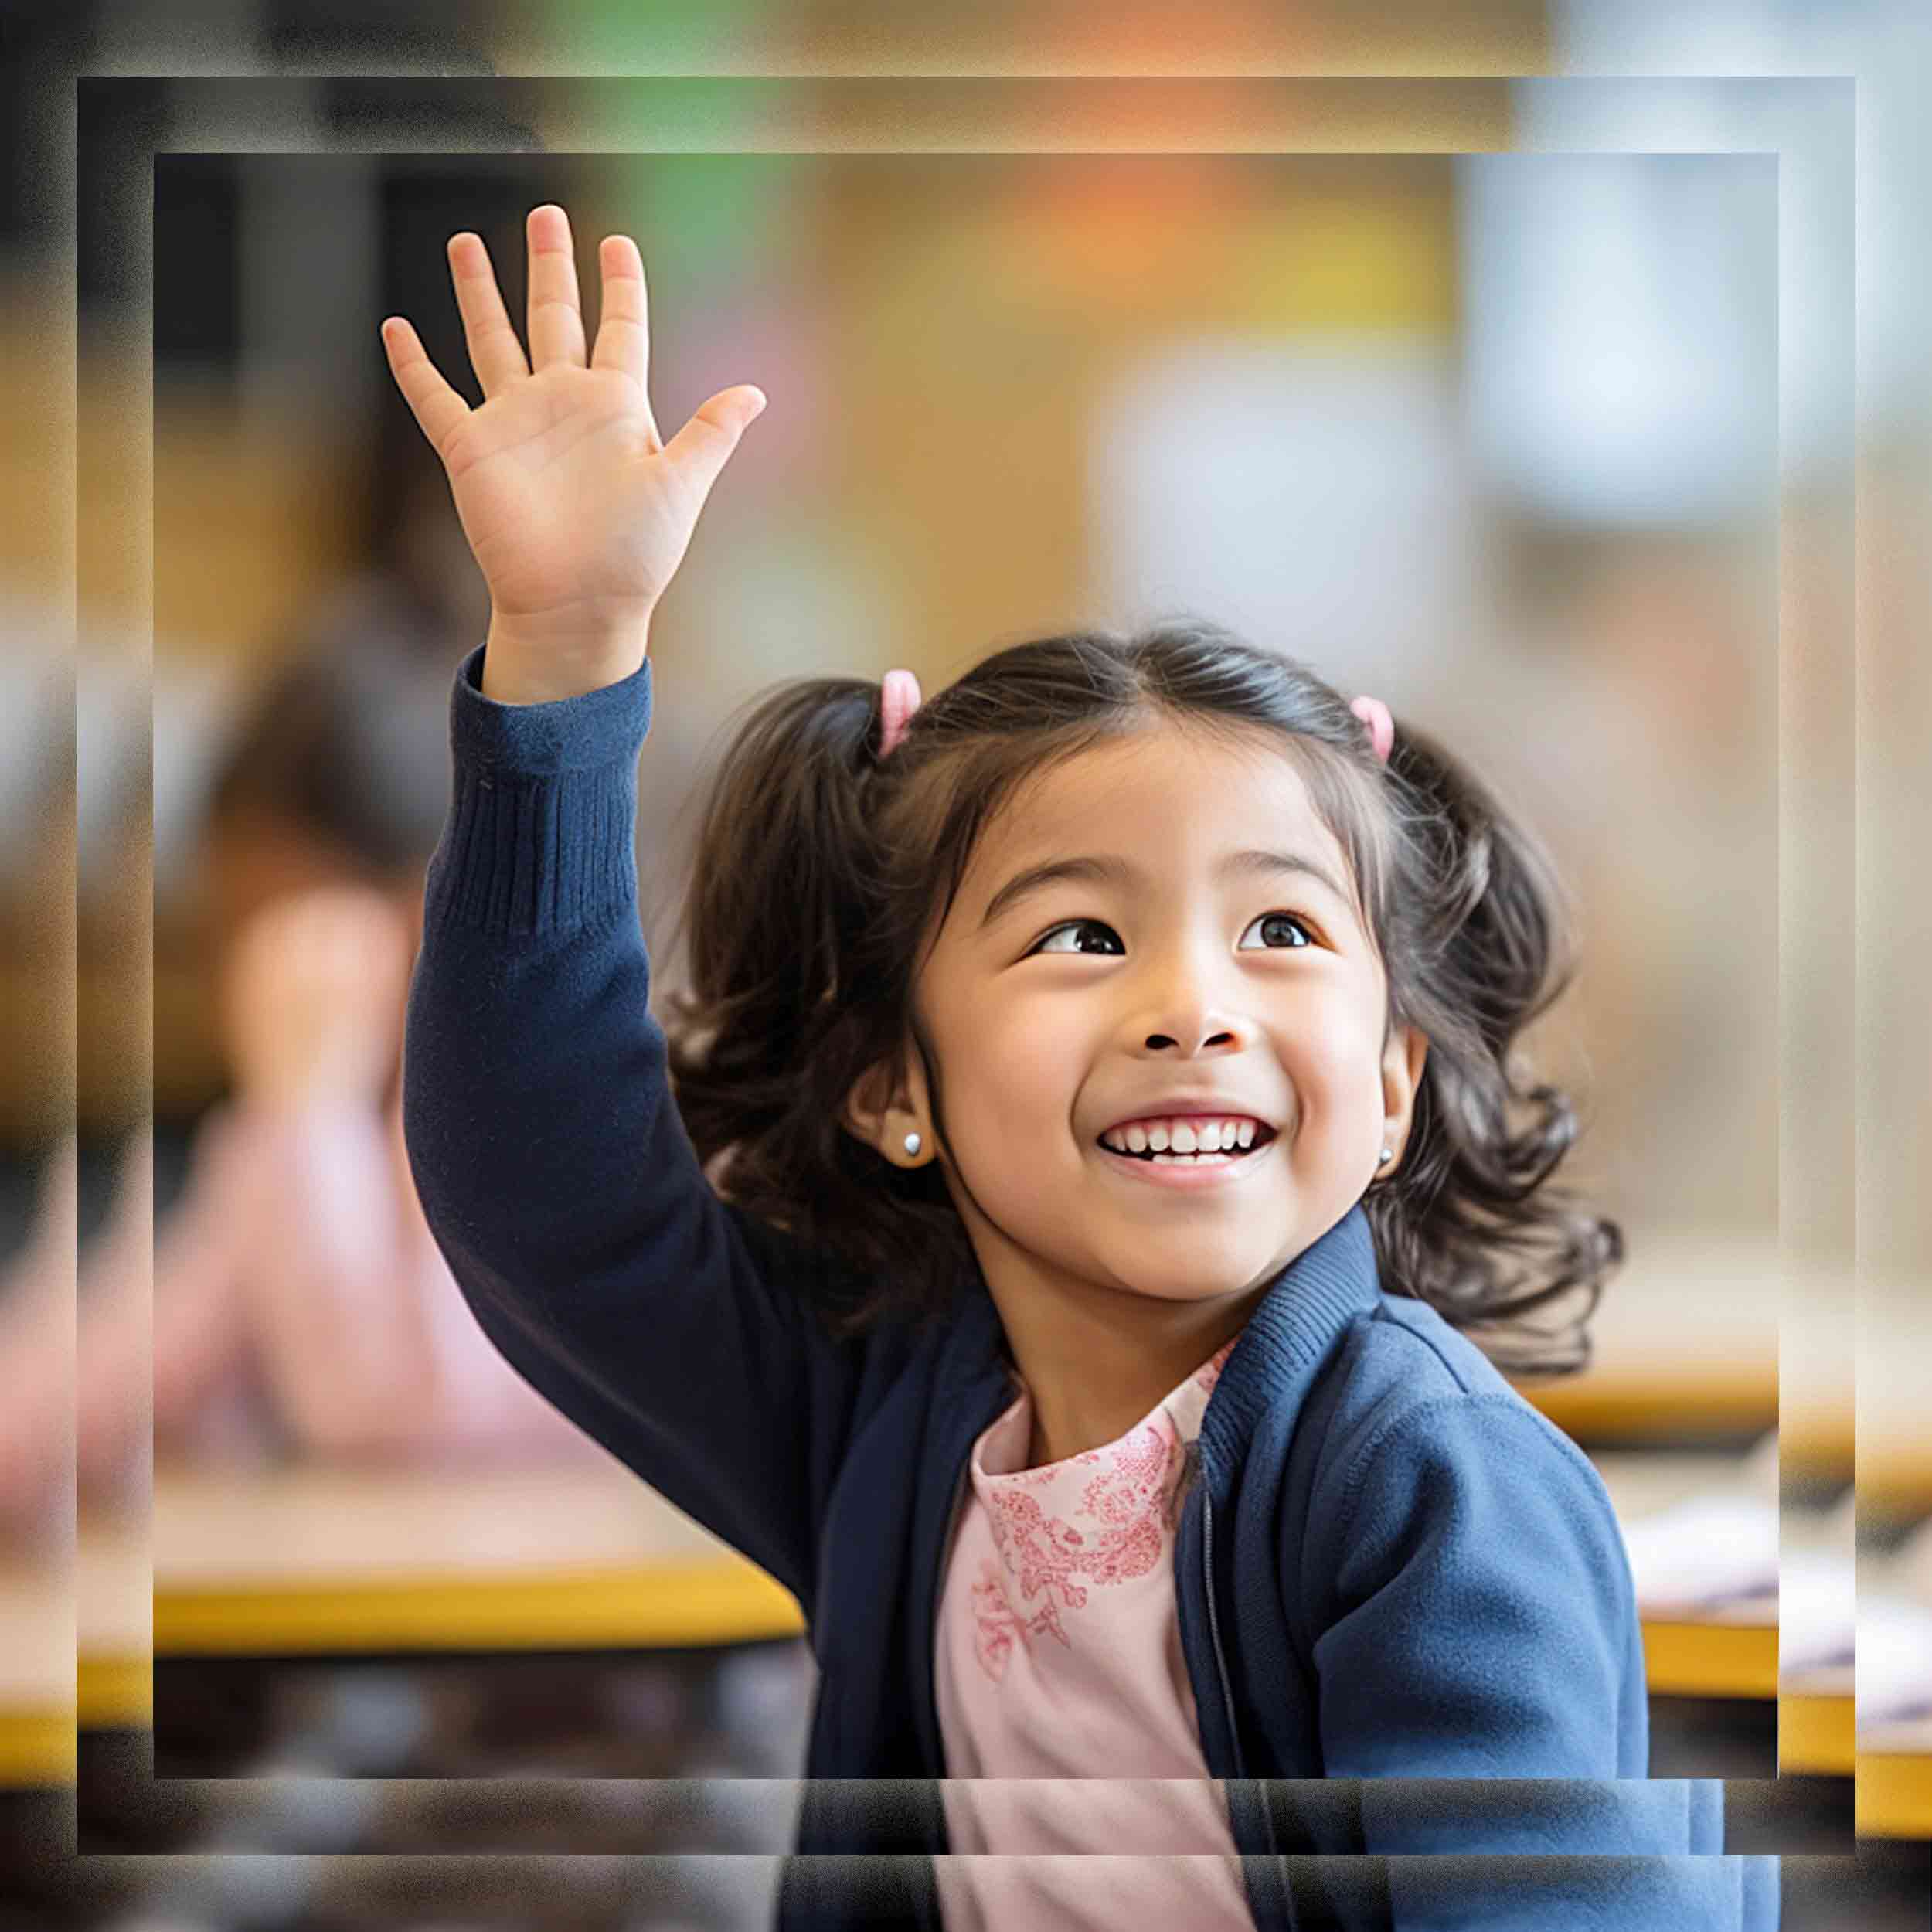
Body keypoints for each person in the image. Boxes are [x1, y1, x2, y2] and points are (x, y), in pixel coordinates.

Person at [382, 202, 1780, 1931]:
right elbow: (550, 1187)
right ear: (896, 1080)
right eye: (1080, 938)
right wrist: (563, 658)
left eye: (1278, 931)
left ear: (1395, 1079)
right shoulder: (889, 1421)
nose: (1190, 1005)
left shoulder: (1415, 1478)